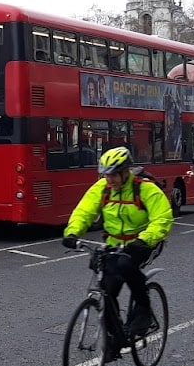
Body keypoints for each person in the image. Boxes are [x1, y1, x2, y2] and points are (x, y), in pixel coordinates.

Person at [62, 146, 173, 344]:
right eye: (106, 175)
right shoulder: (102, 188)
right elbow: (84, 211)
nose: (109, 180)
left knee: (125, 264)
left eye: (113, 175)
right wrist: (72, 232)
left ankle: (143, 310)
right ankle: (114, 340)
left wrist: (144, 240)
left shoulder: (145, 189)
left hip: (143, 244)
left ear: (125, 172)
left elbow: (162, 218)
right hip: (114, 245)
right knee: (107, 287)